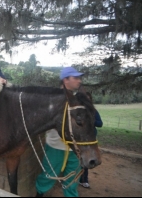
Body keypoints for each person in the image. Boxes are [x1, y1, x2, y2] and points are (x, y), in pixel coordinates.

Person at [35, 66, 84, 197]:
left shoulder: (77, 100)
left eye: (79, 78)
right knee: (48, 176)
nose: (79, 81)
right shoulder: (52, 99)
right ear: (65, 80)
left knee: (73, 179)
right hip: (56, 146)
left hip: (75, 147)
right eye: (76, 78)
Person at [79, 92, 103, 188]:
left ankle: (85, 180)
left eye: (88, 99)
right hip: (80, 138)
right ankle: (77, 179)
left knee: (87, 158)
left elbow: (100, 124)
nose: (86, 102)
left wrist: (90, 120)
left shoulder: (94, 111)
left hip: (90, 139)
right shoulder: (78, 111)